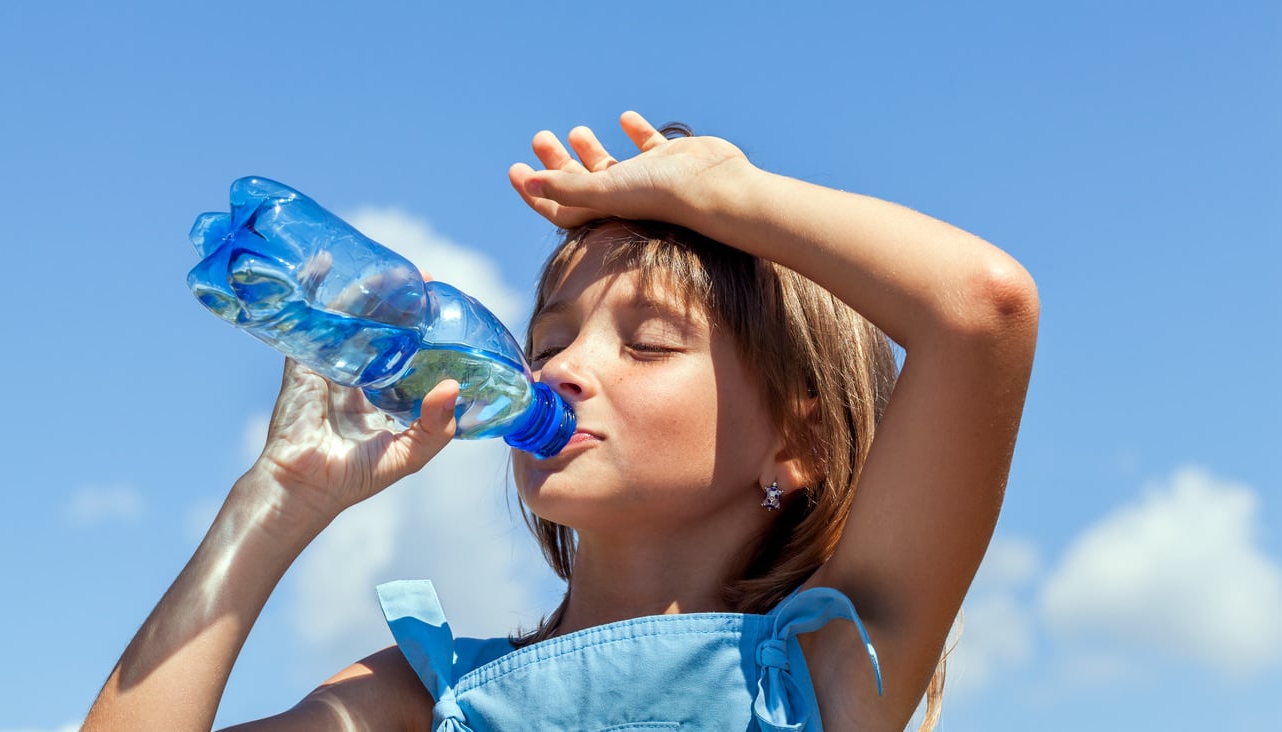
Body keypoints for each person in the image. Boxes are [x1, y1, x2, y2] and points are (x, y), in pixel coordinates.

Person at [84, 111, 1039, 731]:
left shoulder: (827, 674)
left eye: (648, 344)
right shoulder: (426, 700)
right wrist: (276, 501)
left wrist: (726, 197)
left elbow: (982, 309)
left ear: (801, 445)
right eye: (549, 342)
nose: (565, 369)